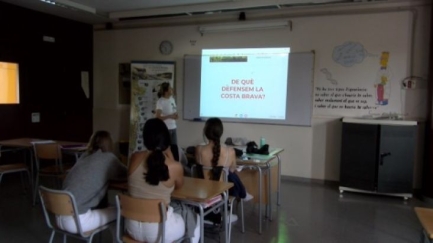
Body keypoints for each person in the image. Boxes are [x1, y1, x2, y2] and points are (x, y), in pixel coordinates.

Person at [127, 118, 200, 243]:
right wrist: (170, 154)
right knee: (196, 218)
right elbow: (178, 187)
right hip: (160, 232)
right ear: (166, 139)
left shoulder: (134, 158)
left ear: (145, 139)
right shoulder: (175, 167)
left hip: (131, 229)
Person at [58, 131, 127, 237]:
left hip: (60, 216)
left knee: (108, 209)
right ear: (110, 144)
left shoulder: (84, 157)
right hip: (78, 221)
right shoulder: (109, 158)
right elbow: (129, 174)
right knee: (121, 211)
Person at [195, 117, 253, 219]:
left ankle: (243, 193)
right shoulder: (230, 152)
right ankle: (242, 194)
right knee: (231, 174)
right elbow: (232, 170)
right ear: (221, 132)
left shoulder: (199, 150)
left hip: (202, 190)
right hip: (221, 192)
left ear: (205, 131)